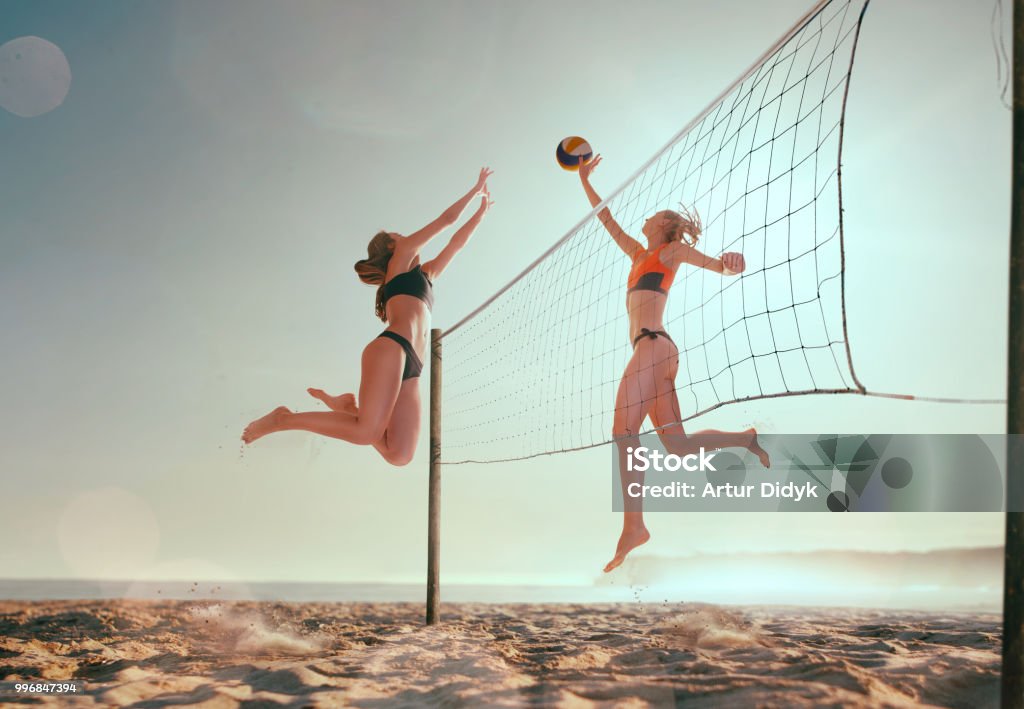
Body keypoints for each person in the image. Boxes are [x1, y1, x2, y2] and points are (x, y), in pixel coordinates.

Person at [578, 155, 770, 572]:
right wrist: (583, 179)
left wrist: (731, 263)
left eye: (653, 216)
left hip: (652, 347)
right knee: (677, 446)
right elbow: (604, 217)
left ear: (663, 225)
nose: (644, 218)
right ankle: (745, 438)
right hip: (658, 352)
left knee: (623, 430)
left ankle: (634, 526)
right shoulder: (636, 255)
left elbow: (719, 266)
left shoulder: (670, 252)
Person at [242, 168, 495, 466]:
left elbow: (456, 243)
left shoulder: (425, 274)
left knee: (399, 455)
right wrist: (474, 189)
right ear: (392, 246)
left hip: (413, 367)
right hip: (393, 347)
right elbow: (446, 221)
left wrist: (480, 214)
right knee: (366, 433)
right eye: (399, 235)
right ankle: (283, 419)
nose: (405, 236)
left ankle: (348, 408)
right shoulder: (399, 260)